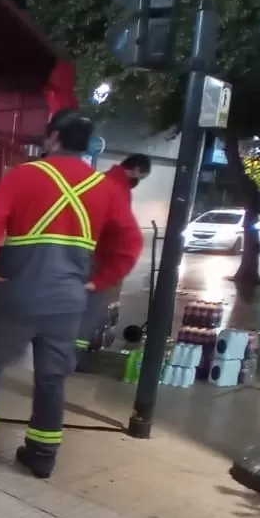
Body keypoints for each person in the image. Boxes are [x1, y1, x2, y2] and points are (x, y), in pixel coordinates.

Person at [0, 109, 143, 478]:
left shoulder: (25, 175)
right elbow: (131, 243)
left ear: (54, 137)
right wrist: (100, 280)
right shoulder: (104, 187)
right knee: (52, 378)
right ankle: (41, 455)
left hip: (19, 293)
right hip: (69, 300)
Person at [76, 153, 152, 362]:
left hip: (87, 251)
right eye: (142, 175)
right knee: (92, 307)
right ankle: (76, 353)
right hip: (100, 255)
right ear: (136, 169)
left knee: (85, 304)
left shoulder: (103, 179)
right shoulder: (118, 188)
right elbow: (122, 232)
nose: (140, 180)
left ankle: (72, 348)